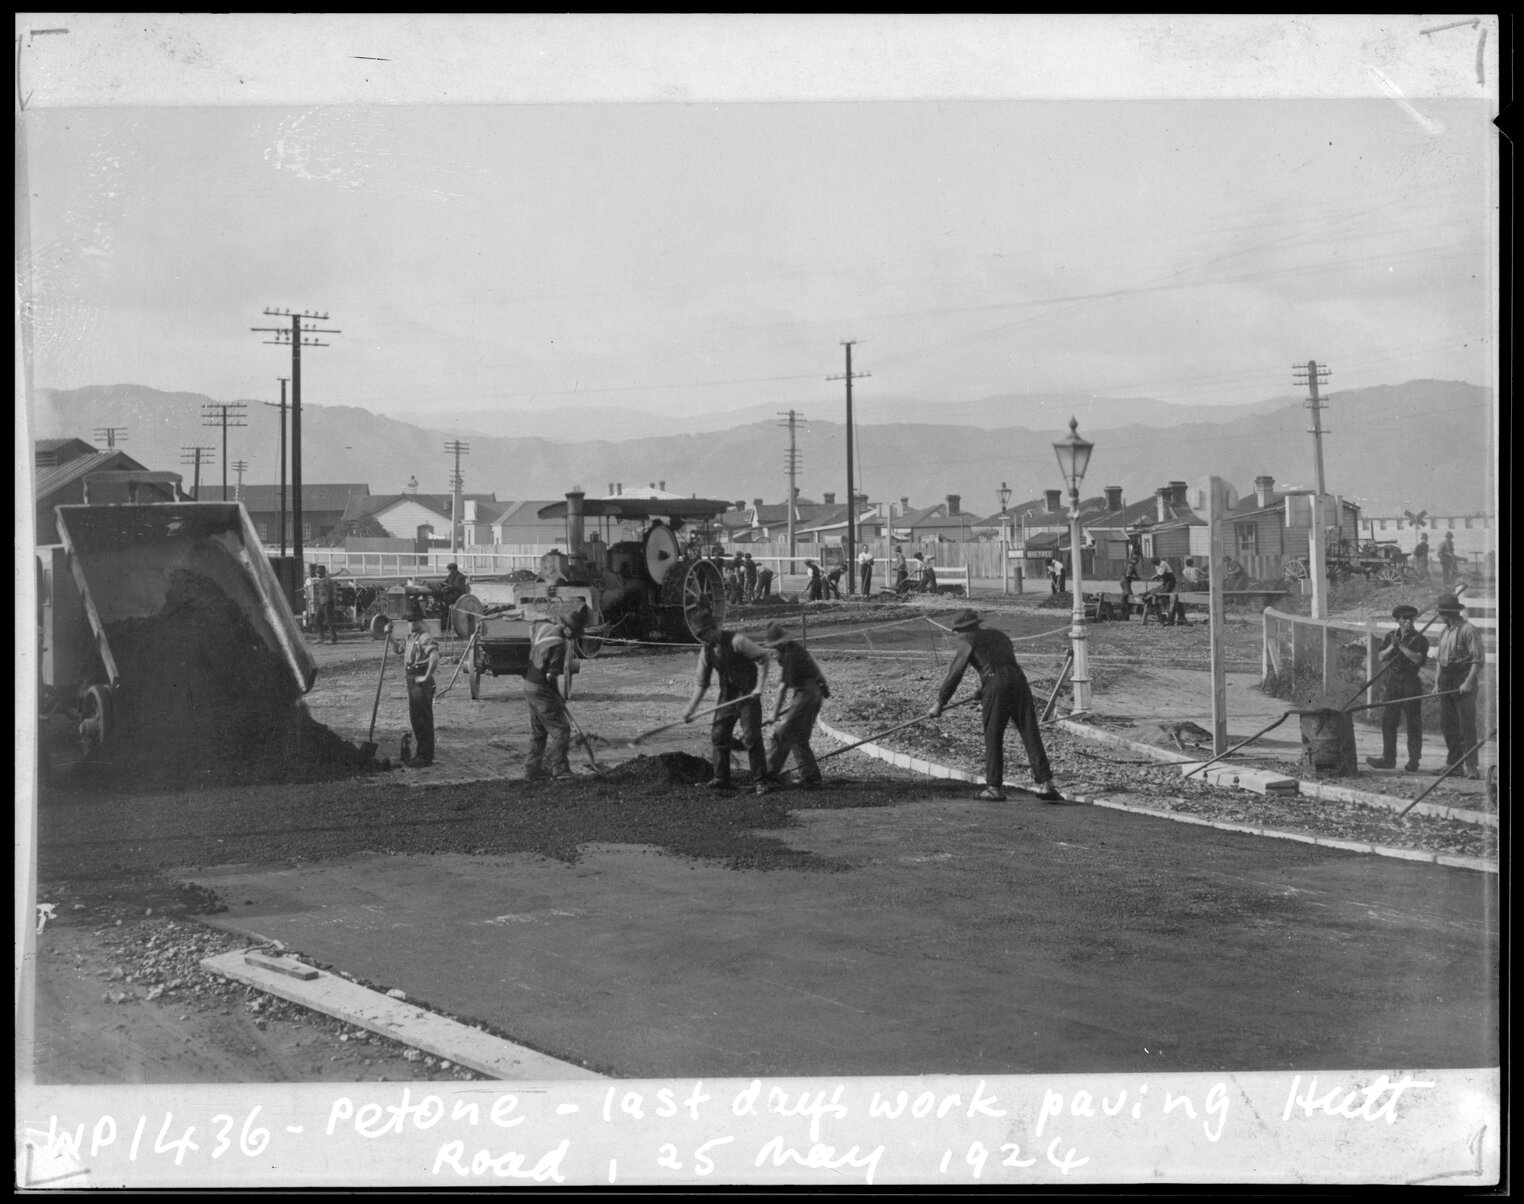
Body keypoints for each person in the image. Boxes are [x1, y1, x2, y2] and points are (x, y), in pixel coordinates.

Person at [929, 610, 1062, 803]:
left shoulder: (969, 641)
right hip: (1019, 682)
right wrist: (983, 689)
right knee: (1030, 732)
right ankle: (1046, 783)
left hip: (996, 684)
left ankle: (993, 787)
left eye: (958, 631)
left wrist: (939, 703)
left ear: (966, 630)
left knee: (993, 734)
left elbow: (955, 674)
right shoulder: (999, 635)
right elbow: (1002, 664)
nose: (957, 635)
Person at [683, 610, 771, 793]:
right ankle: (721, 778)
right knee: (719, 735)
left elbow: (763, 657)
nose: (703, 639)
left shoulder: (737, 641)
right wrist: (690, 710)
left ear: (714, 628)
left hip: (748, 694)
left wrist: (759, 688)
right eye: (699, 636)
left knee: (751, 737)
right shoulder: (706, 651)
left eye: (704, 634)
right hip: (728, 696)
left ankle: (761, 780)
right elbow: (701, 684)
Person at [522, 605, 586, 781]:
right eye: (573, 632)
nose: (573, 636)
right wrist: (557, 696)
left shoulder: (544, 628)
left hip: (529, 684)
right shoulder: (559, 643)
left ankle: (532, 770)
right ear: (566, 627)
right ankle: (559, 768)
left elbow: (530, 632)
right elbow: (551, 675)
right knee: (561, 730)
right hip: (541, 687)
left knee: (539, 731)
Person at [763, 621, 828, 788]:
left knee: (782, 734)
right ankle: (811, 777)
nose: (773, 653)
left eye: (774, 649)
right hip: (814, 693)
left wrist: (773, 713)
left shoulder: (791, 655)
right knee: (799, 738)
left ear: (779, 643)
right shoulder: (794, 649)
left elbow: (782, 688)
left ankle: (769, 775)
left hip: (807, 694)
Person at [1365, 604, 1429, 772]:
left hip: (1410, 682)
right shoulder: (1391, 636)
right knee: (1389, 721)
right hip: (1393, 681)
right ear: (1398, 620)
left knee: (1413, 723)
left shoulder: (1420, 639)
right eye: (1404, 619)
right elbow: (1380, 656)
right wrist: (1393, 645)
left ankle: (1414, 761)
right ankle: (1388, 759)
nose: (1408, 621)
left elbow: (1417, 659)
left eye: (1411, 618)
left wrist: (1401, 645)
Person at [1431, 593, 1485, 779]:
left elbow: (1477, 660)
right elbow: (1439, 659)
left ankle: (1471, 767)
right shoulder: (1444, 632)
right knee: (1448, 725)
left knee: (1466, 726)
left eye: (1441, 613)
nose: (1439, 616)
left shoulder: (1468, 630)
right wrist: (1437, 683)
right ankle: (1453, 765)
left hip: (1463, 679)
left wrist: (1468, 682)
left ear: (1449, 613)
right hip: (1447, 679)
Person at [392, 602, 440, 767]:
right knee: (416, 719)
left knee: (423, 720)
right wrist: (389, 636)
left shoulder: (424, 637)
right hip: (412, 680)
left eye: (414, 621)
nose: (411, 624)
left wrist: (426, 676)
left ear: (419, 621)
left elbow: (434, 656)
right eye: (409, 621)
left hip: (421, 681)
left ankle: (425, 757)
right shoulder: (410, 638)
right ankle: (421, 755)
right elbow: (398, 649)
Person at [307, 564, 338, 644]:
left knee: (329, 621)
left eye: (318, 572)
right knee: (317, 620)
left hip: (328, 602)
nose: (316, 574)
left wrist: (326, 581)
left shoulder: (327, 580)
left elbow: (331, 592)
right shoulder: (320, 580)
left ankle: (333, 639)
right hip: (321, 602)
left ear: (321, 573)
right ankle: (321, 637)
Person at [440, 561, 469, 632]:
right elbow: (445, 582)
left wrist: (449, 588)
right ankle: (447, 624)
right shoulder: (450, 576)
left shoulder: (460, 576)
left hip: (458, 596)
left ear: (453, 569)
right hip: (451, 594)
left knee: (451, 607)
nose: (449, 571)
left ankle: (452, 625)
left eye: (449, 570)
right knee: (444, 604)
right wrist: (443, 586)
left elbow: (458, 587)